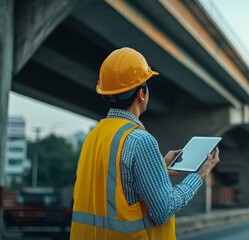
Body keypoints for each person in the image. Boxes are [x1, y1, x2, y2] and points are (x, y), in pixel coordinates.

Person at [70, 47, 220, 239]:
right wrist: (200, 175)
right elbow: (163, 210)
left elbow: (115, 186)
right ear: (141, 93)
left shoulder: (94, 136)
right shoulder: (140, 140)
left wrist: (159, 167)